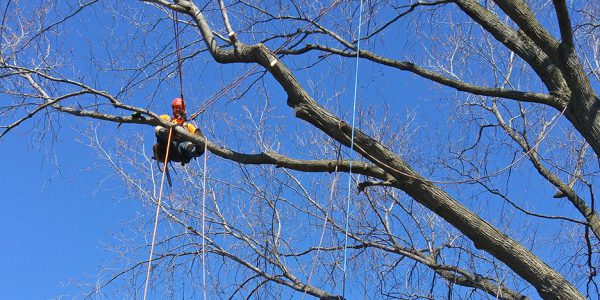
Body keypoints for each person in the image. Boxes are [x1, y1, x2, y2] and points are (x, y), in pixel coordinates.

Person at [153, 97, 204, 166]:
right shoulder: (167, 118)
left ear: (183, 110)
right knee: (158, 128)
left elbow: (196, 134)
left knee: (188, 145)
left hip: (182, 152)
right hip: (169, 148)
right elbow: (153, 119)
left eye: (179, 108)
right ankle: (168, 135)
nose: (177, 109)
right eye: (175, 107)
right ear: (173, 109)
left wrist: (199, 140)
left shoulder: (188, 126)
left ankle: (199, 150)